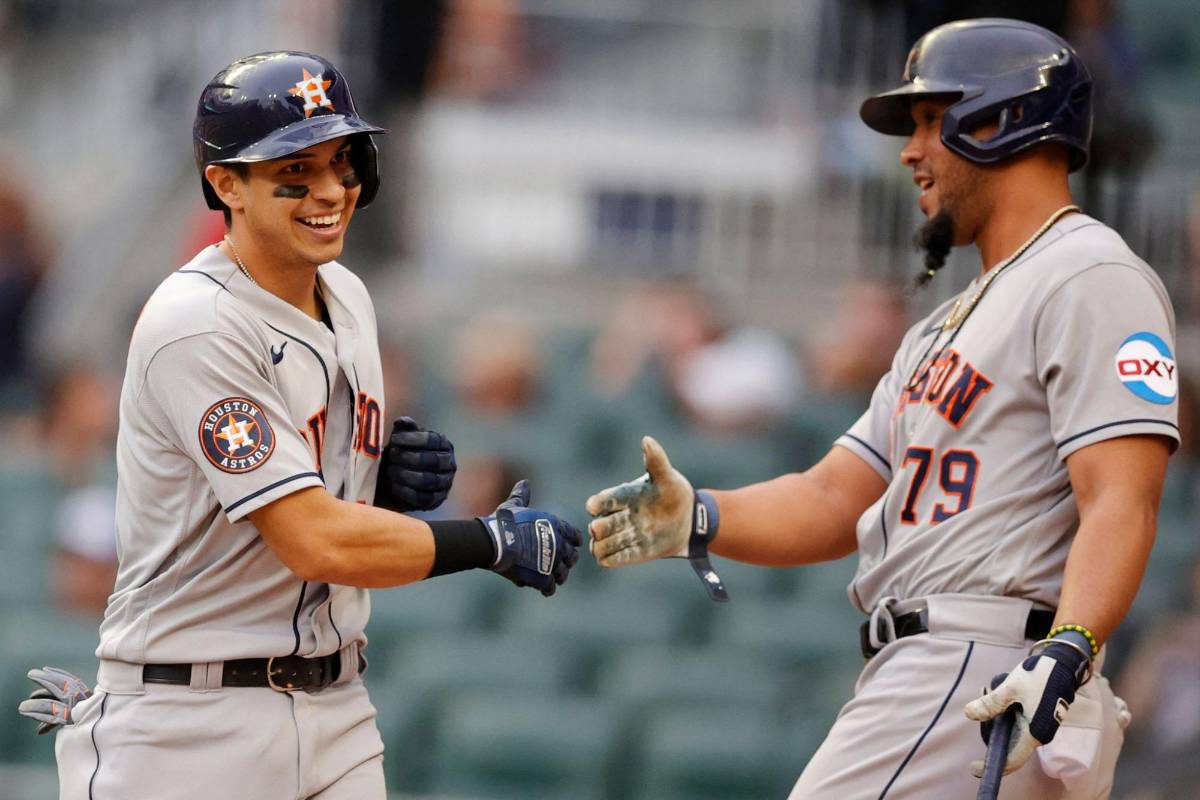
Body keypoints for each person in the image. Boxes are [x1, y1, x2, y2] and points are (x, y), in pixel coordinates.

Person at [586, 18, 1177, 798]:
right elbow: (835, 496)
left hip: (987, 659)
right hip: (941, 665)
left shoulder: (1088, 273)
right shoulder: (942, 324)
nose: (910, 150)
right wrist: (701, 514)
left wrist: (1069, 648)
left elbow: (1121, 495)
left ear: (1003, 120)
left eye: (933, 121)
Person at [20, 51, 581, 799]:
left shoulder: (347, 296)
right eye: (294, 171)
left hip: (336, 706)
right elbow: (314, 538)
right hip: (190, 721)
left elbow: (304, 501)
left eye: (341, 162)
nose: (329, 191)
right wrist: (488, 540)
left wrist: (371, 476)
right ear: (226, 184)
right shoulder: (196, 321)